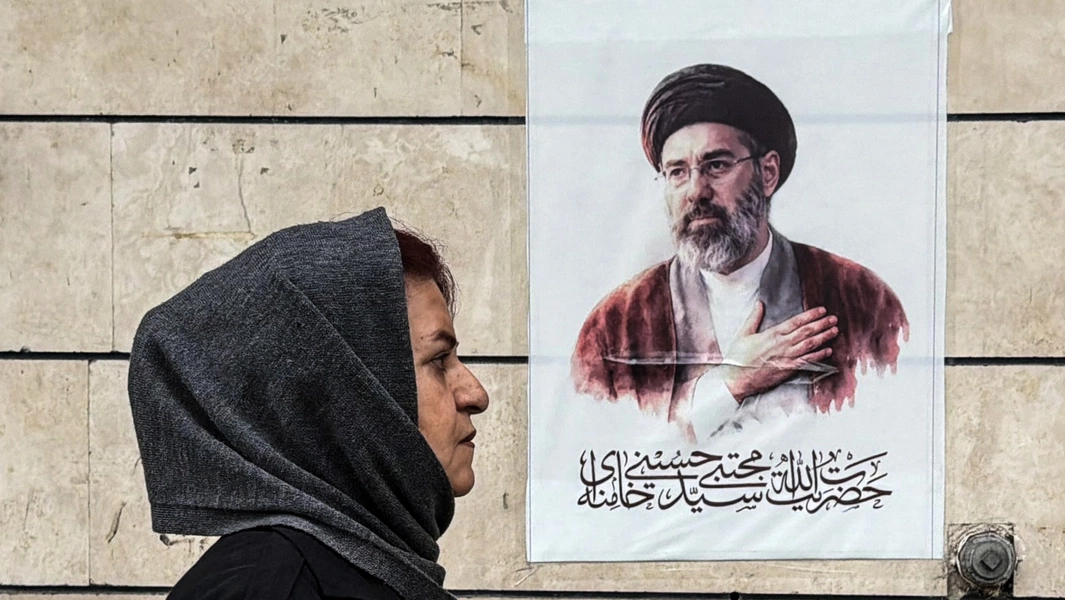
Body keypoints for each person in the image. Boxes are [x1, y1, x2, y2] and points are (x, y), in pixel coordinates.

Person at [127, 207, 489, 599]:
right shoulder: (274, 587)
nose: (476, 394)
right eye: (439, 360)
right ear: (344, 394)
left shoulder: (362, 567)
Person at [571, 64, 908, 442]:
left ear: (768, 173)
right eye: (677, 172)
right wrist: (730, 383)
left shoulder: (863, 301)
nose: (696, 192)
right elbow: (602, 449)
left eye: (716, 165)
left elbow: (889, 435)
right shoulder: (615, 326)